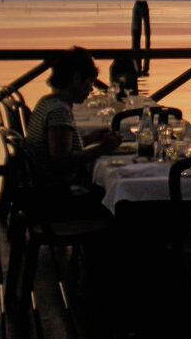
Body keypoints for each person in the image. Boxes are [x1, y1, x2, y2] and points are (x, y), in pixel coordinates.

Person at [24, 46, 120, 218]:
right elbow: (61, 160)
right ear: (76, 79)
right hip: (60, 199)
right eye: (88, 83)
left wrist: (90, 138)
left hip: (46, 192)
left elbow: (59, 144)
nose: (90, 90)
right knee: (123, 204)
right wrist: (102, 149)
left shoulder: (46, 102)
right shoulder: (59, 111)